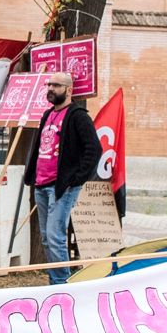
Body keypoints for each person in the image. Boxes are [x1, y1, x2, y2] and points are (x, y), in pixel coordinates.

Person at [26, 70, 100, 285]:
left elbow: (93, 149)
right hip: (41, 184)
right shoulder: (47, 115)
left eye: (56, 85)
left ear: (68, 90)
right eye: (49, 85)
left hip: (61, 187)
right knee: (47, 239)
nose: (50, 89)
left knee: (55, 236)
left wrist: (76, 179)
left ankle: (62, 284)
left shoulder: (78, 116)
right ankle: (54, 280)